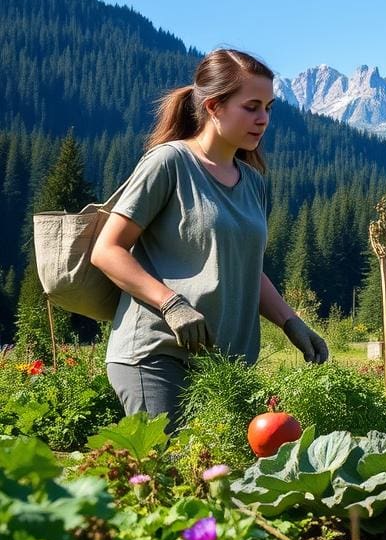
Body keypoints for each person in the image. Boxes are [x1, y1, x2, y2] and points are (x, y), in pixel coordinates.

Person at [91, 48, 328, 431]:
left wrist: (290, 322)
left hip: (225, 366)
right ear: (215, 107)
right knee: (169, 480)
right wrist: (172, 306)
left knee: (220, 479)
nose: (263, 119)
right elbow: (107, 250)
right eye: (251, 107)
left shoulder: (253, 183)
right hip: (158, 355)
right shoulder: (168, 163)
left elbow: (247, 268)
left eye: (268, 107)